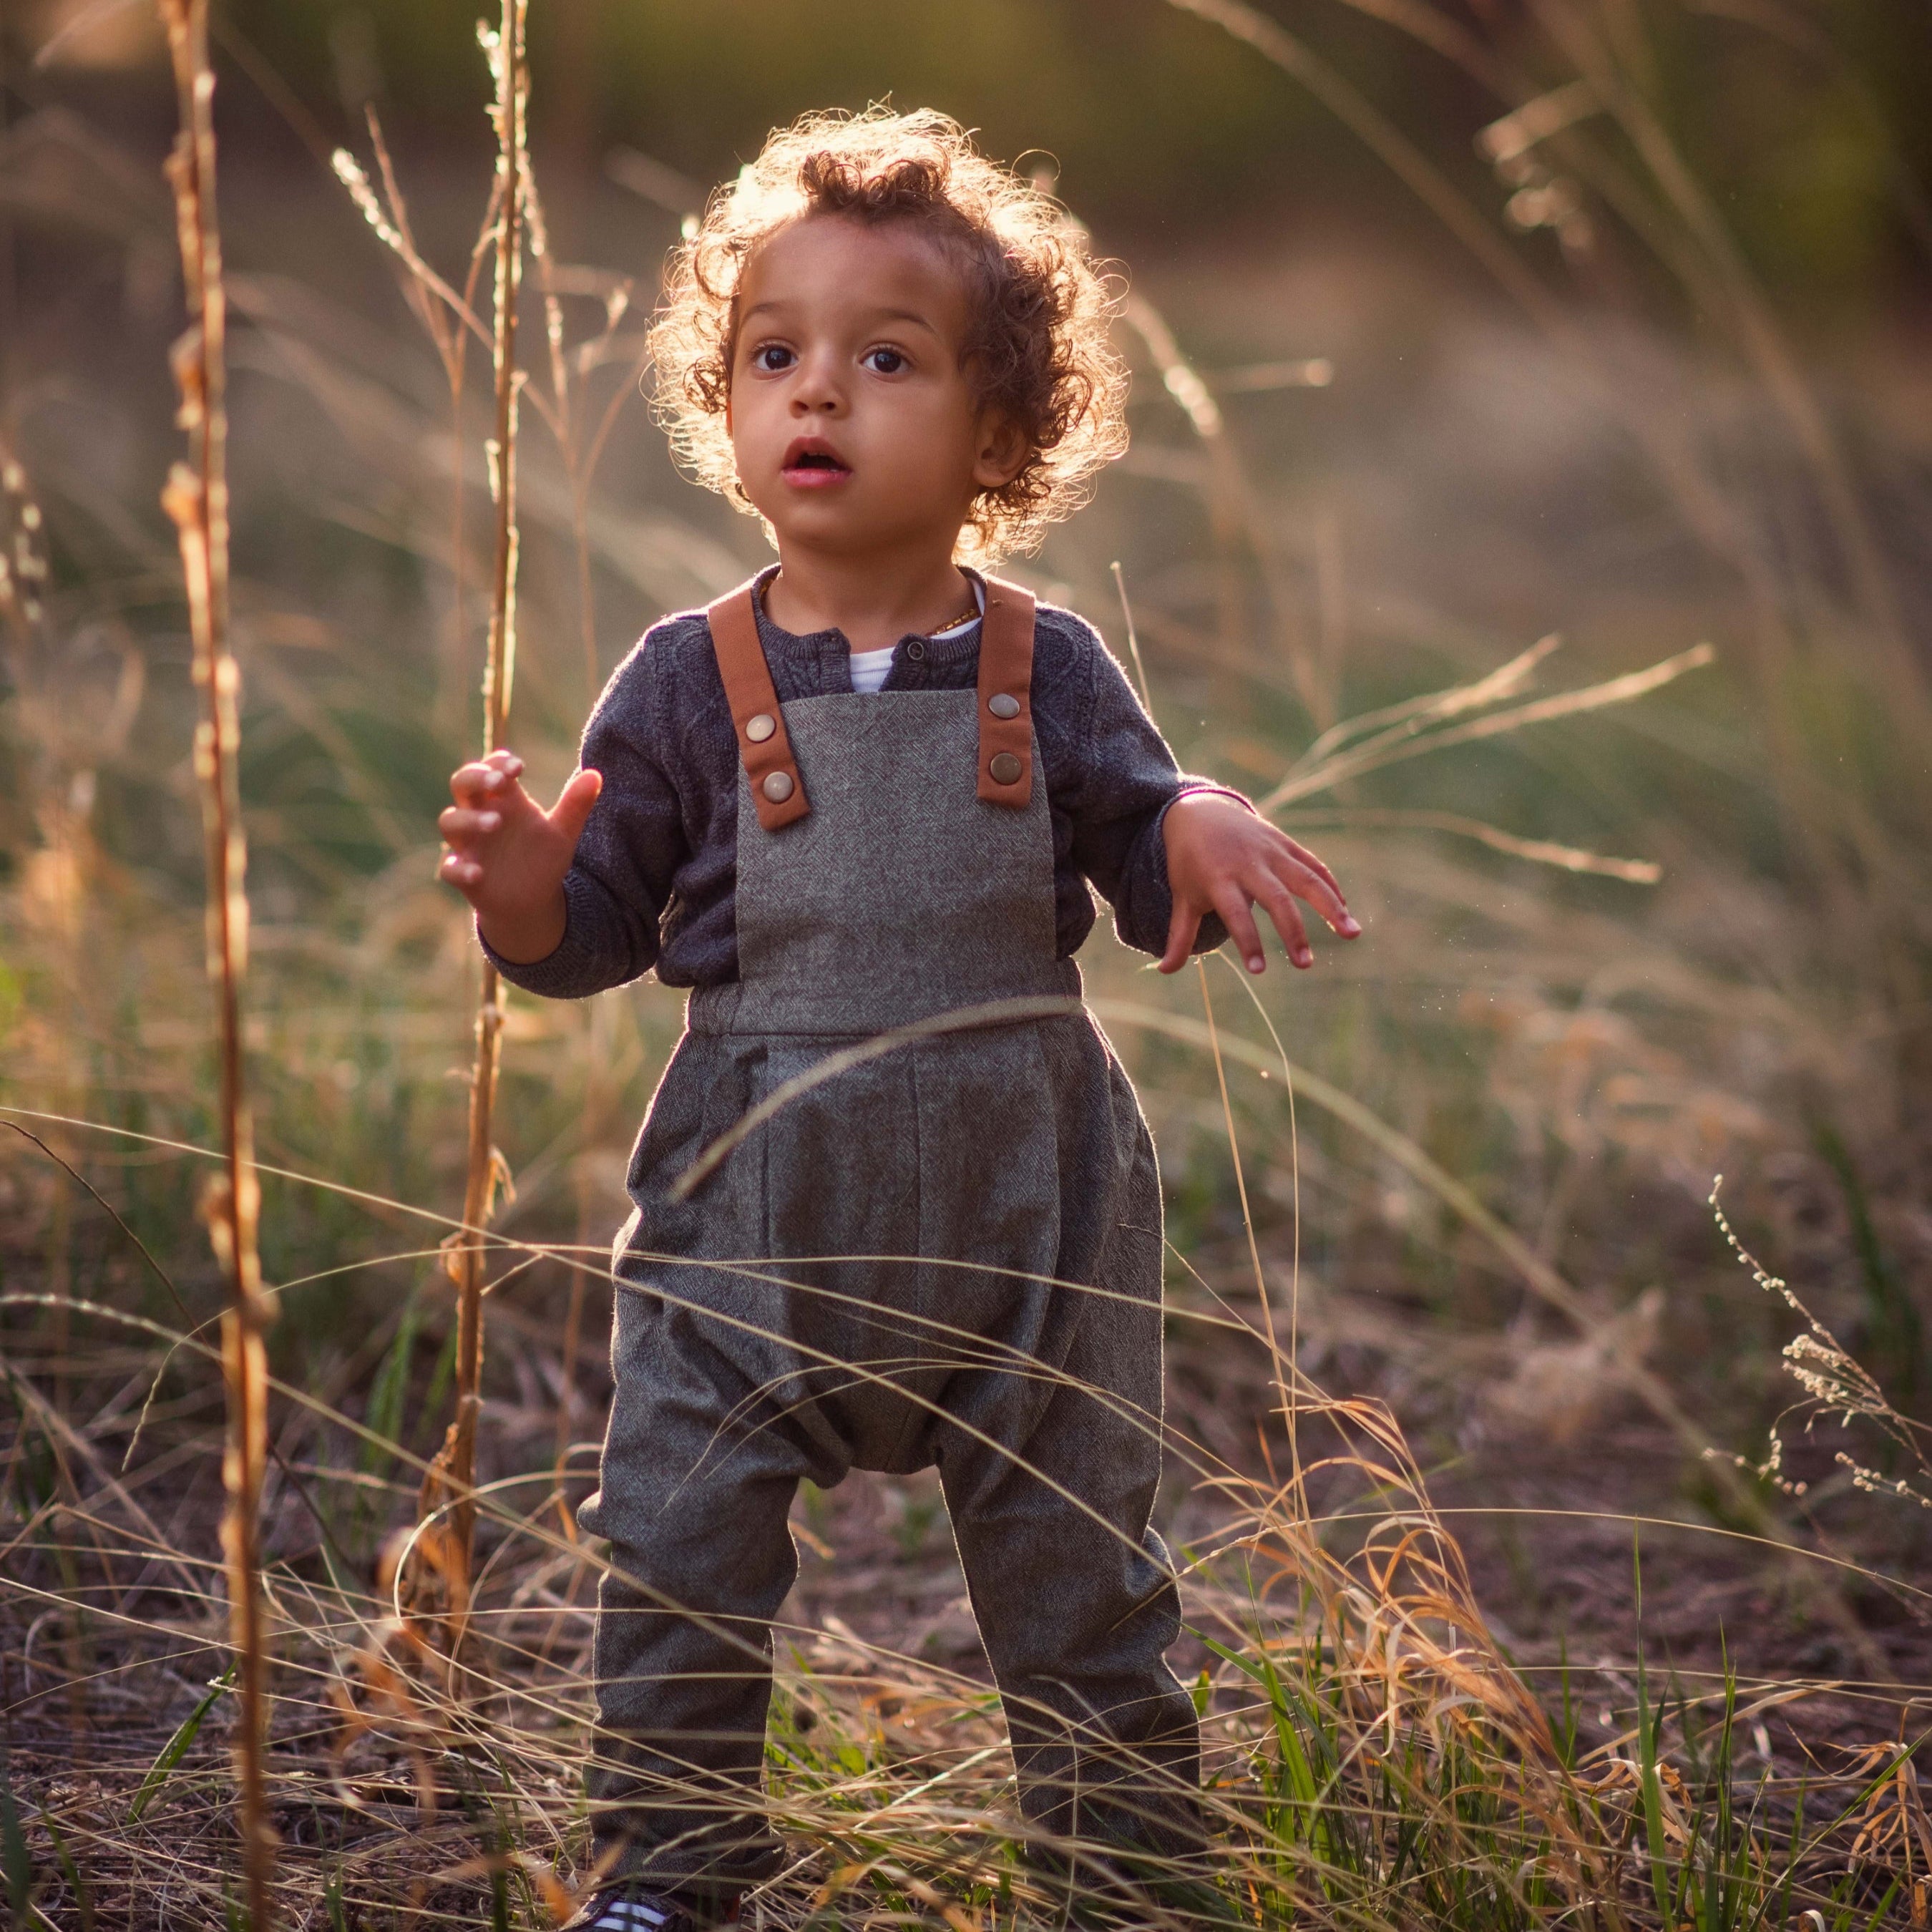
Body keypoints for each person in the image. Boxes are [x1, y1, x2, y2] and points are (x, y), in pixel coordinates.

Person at [438, 107, 1359, 1932]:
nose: (819, 391)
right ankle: (667, 1877)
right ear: (727, 407)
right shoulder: (682, 679)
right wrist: (528, 892)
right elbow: (589, 939)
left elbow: (1136, 840)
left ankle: (1123, 1878)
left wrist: (1192, 815)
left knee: (1083, 1570)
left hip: (1033, 1213)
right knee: (674, 1547)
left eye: (886, 358)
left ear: (1001, 434)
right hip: (748, 1212)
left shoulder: (1050, 664)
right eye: (774, 355)